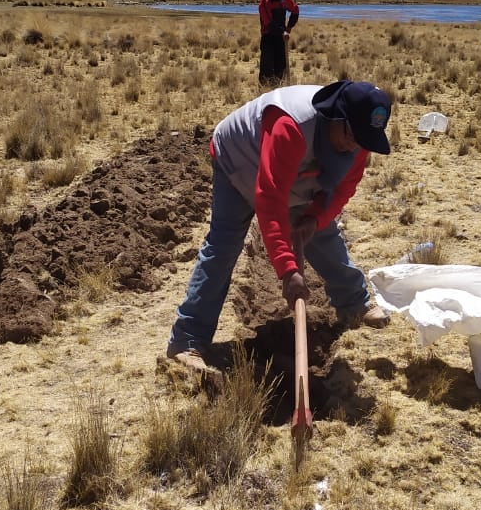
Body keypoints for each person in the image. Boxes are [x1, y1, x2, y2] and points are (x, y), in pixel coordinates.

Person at [166, 80, 393, 382]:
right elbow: (270, 201)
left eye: (364, 140)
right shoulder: (291, 127)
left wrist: (315, 217)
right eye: (353, 136)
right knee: (224, 245)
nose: (355, 146)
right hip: (238, 160)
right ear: (337, 117)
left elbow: (342, 189)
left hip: (290, 170)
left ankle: (354, 303)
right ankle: (187, 341)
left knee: (322, 233)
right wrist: (287, 271)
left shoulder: (358, 140)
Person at [258, 0, 300, 85]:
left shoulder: (286, 0)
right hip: (268, 35)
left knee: (280, 64)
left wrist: (289, 27)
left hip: (281, 38)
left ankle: (278, 86)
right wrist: (284, 32)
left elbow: (295, 11)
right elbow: (268, 22)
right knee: (266, 64)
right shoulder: (264, 1)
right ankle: (265, 88)